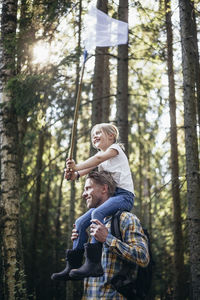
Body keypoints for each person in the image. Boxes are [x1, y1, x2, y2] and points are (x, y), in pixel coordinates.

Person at [67, 123, 135, 279]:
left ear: (111, 136)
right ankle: (73, 265)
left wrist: (76, 166)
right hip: (112, 197)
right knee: (80, 222)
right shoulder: (102, 161)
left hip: (124, 196)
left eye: (98, 133)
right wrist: (74, 174)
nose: (94, 137)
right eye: (92, 135)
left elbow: (96, 158)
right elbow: (88, 169)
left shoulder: (115, 149)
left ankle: (94, 264)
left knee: (97, 212)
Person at [69, 171, 149, 299]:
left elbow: (143, 257)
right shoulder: (91, 224)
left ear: (104, 189)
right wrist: (82, 242)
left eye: (88, 188)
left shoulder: (126, 219)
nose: (83, 194)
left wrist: (108, 239)